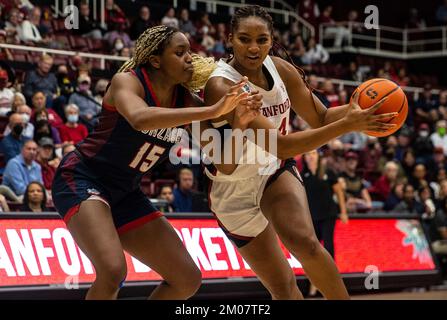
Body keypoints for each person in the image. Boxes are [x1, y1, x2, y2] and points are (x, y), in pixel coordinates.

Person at [202, 5, 396, 300]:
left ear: (272, 39)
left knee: (305, 243)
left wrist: (363, 109)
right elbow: (281, 143)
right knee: (282, 287)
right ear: (229, 39)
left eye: (262, 39)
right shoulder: (222, 85)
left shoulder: (281, 69)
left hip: (273, 171)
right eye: (244, 39)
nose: (254, 48)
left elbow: (320, 118)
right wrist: (349, 124)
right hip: (232, 189)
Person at [51, 25, 257, 300]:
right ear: (156, 60)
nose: (189, 59)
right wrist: (212, 110)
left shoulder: (184, 101)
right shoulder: (128, 81)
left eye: (190, 52)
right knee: (112, 271)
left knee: (187, 279)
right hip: (84, 177)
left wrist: (241, 124)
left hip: (127, 192)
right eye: (180, 52)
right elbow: (139, 117)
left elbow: (224, 161)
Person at [301, 149, 347, 296]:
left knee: (328, 247)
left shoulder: (327, 172)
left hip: (328, 214)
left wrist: (343, 211)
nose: (311, 156)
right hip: (311, 217)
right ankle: (314, 284)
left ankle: (331, 282)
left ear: (318, 156)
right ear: (305, 157)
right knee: (312, 250)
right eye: (308, 154)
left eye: (313, 153)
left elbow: (339, 191)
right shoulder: (302, 176)